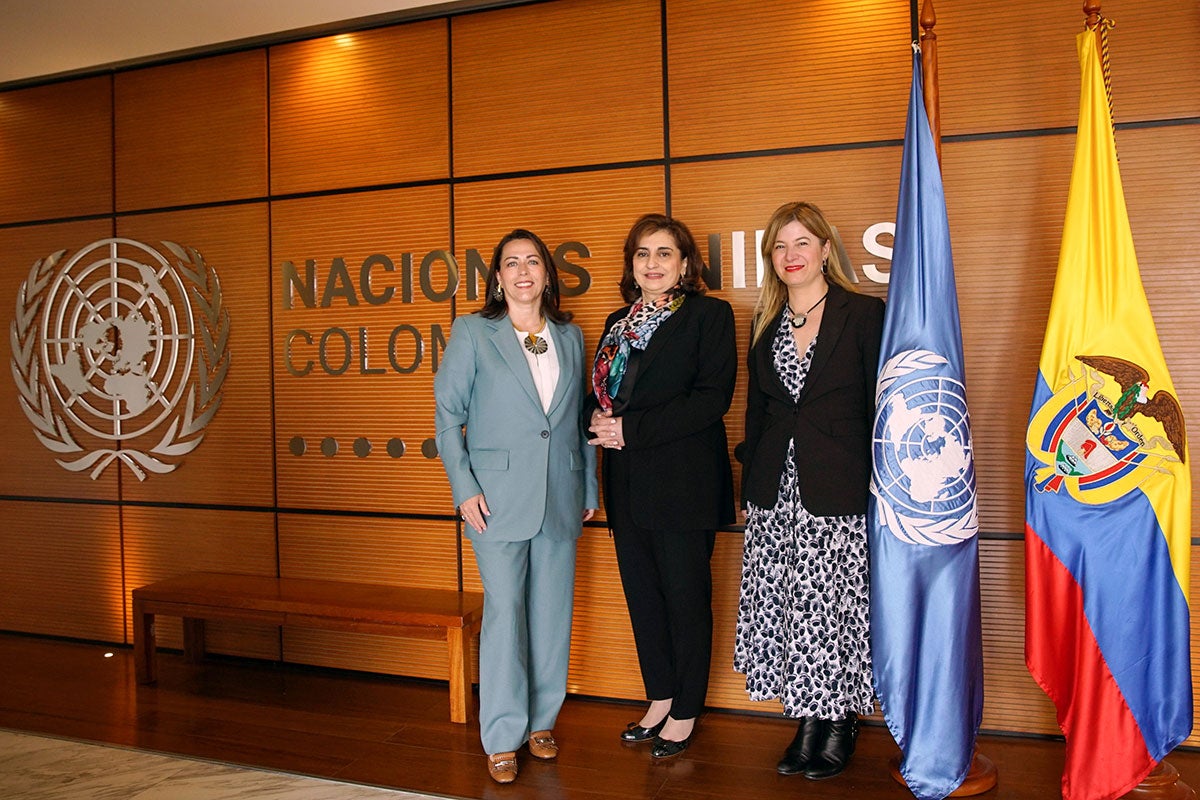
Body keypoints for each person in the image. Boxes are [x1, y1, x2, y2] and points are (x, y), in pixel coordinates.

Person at [434, 229, 598, 785]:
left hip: (561, 495)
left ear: (547, 275)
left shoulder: (570, 336)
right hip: (496, 501)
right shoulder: (473, 333)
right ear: (498, 279)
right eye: (512, 263)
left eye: (533, 262)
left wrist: (589, 490)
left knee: (551, 615)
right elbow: (446, 415)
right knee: (505, 615)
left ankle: (541, 721)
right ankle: (502, 734)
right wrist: (464, 488)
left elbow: (577, 424)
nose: (523, 271)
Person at [735, 201, 883, 781]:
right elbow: (758, 413)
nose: (790, 255)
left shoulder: (864, 314)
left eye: (802, 243)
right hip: (777, 489)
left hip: (841, 484)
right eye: (780, 246)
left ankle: (838, 721)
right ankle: (806, 721)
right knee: (792, 608)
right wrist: (751, 489)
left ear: (826, 248)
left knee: (832, 606)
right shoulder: (766, 324)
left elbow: (883, 403)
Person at [585, 213, 736, 759]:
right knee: (644, 598)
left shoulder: (709, 316)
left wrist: (629, 429)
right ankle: (660, 698)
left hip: (683, 484)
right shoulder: (615, 322)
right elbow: (603, 397)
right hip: (625, 485)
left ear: (686, 264)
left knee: (685, 599)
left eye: (664, 253)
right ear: (632, 264)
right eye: (643, 253)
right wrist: (594, 423)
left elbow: (710, 399)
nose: (652, 263)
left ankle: (687, 709)